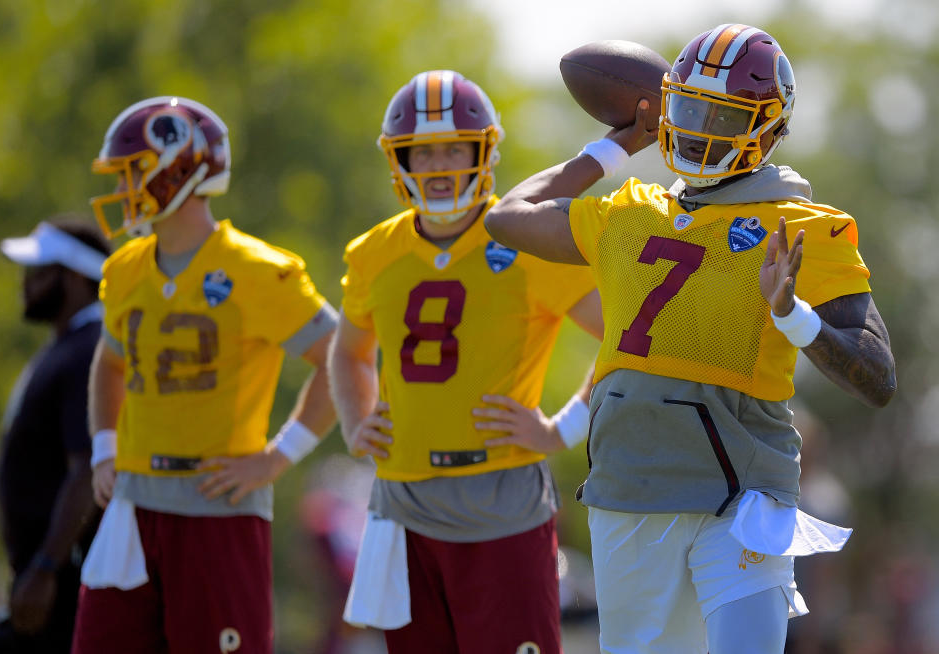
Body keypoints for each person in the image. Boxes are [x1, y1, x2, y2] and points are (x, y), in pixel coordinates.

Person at [484, 24, 897, 654]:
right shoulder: (628, 210)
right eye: (689, 108)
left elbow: (877, 376)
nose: (701, 128)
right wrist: (618, 144)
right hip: (631, 484)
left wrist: (794, 316)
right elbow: (508, 216)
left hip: (741, 493)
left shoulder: (803, 227)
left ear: (767, 127)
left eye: (722, 117)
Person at [329, 70, 603, 654]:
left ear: (485, 151)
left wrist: (564, 427)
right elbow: (348, 350)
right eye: (422, 152)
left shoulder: (527, 242)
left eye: (455, 147)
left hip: (501, 490)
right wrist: (356, 421)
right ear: (399, 160)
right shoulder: (374, 251)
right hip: (403, 497)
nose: (439, 164)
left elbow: (626, 333)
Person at [70, 97, 337, 654]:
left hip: (218, 506)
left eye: (133, 171)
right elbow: (110, 363)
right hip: (133, 504)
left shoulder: (257, 269)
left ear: (182, 168)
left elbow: (341, 360)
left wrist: (277, 456)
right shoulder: (124, 270)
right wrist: (103, 448)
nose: (123, 188)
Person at [0, 218, 110, 653]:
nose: (27, 284)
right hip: (45, 576)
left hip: (64, 583)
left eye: (41, 273)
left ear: (77, 276)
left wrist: (45, 570)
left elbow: (85, 470)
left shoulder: (89, 350)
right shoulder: (68, 346)